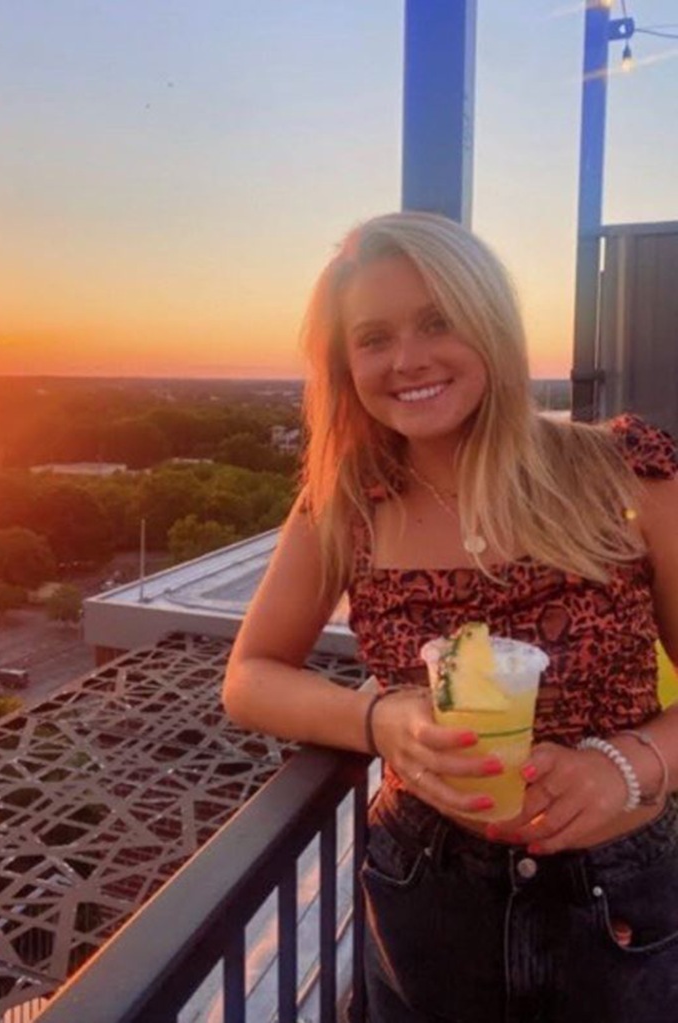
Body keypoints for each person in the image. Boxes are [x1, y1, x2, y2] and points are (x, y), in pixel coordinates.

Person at [223, 211, 678, 1022]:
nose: (407, 359)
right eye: (372, 338)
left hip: (623, 895)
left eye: (438, 320)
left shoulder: (623, 471)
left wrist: (626, 763)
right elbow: (249, 678)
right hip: (423, 889)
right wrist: (380, 717)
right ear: (345, 362)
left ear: (491, 325)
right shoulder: (345, 503)